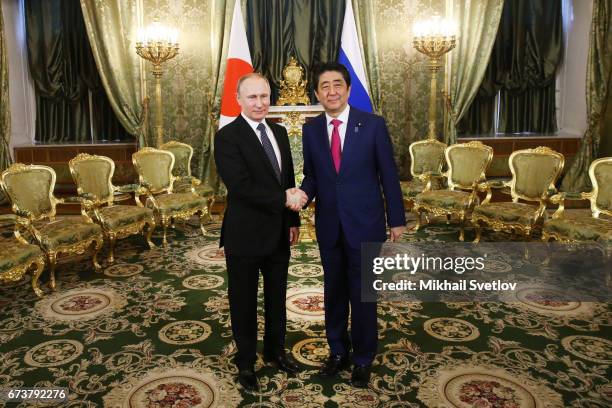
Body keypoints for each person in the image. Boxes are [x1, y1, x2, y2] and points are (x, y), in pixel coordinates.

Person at [288, 62, 406, 388]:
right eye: (324, 86)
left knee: (363, 295)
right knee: (335, 292)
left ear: (348, 89)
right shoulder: (311, 130)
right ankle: (338, 351)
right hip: (329, 226)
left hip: (366, 224)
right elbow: (313, 176)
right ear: (317, 93)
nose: (332, 91)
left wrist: (396, 219)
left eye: (337, 84)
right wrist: (302, 195)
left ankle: (363, 358)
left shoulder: (372, 125)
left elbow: (388, 176)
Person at [214, 73, 301, 392]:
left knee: (278, 298)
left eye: (264, 96)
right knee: (244, 302)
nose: (260, 103)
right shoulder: (227, 136)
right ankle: (246, 361)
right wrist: (284, 200)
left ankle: (276, 351)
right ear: (238, 99)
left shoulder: (278, 131)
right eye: (252, 97)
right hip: (245, 234)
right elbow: (240, 187)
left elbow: (288, 178)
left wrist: (293, 221)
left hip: (279, 232)